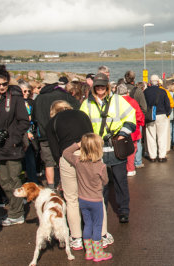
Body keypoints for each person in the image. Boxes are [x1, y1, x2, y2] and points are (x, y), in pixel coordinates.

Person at [47, 100, 114, 250]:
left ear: (53, 111)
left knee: (71, 199)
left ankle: (76, 237)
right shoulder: (82, 115)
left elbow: (55, 151)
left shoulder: (52, 123)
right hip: (89, 154)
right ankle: (102, 235)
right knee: (96, 195)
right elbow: (91, 135)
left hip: (68, 156)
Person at [80, 73, 136, 224]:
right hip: (97, 148)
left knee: (120, 181)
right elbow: (82, 123)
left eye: (102, 86)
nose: (100, 89)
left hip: (115, 145)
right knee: (99, 183)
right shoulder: (87, 103)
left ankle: (124, 211)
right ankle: (101, 210)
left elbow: (131, 116)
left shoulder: (117, 100)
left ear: (107, 86)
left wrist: (123, 134)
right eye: (97, 86)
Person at [0, 65, 30, 226]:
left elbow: (24, 121)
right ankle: (14, 209)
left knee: (14, 179)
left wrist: (14, 138)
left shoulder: (16, 97)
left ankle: (16, 213)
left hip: (12, 146)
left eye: (4, 84)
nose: (2, 87)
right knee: (3, 181)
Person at [63, 133, 112, 262]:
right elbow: (106, 181)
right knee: (97, 225)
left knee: (87, 224)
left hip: (83, 199)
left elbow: (66, 152)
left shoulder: (78, 162)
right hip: (96, 200)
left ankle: (89, 252)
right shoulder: (101, 166)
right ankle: (98, 252)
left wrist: (78, 144)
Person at [33, 73, 80, 189]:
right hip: (62, 134)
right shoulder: (63, 95)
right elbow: (77, 107)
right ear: (56, 83)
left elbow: (34, 117)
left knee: (48, 163)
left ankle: (51, 186)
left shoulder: (39, 98)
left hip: (44, 135)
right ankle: (64, 184)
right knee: (63, 159)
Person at [116, 84, 145, 176]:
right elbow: (139, 115)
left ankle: (121, 169)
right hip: (133, 130)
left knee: (118, 149)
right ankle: (130, 169)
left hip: (118, 130)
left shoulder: (114, 102)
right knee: (131, 150)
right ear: (127, 92)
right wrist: (141, 124)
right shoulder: (132, 101)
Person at [144, 74, 171, 162]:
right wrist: (167, 114)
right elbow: (168, 104)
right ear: (158, 82)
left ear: (150, 82)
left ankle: (152, 156)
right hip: (161, 114)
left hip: (150, 115)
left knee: (151, 136)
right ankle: (162, 156)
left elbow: (144, 105)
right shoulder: (163, 91)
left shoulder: (146, 92)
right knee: (162, 136)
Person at [124, 70, 147, 169]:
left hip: (122, 120)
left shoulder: (120, 89)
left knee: (124, 141)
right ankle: (137, 162)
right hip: (135, 120)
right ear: (134, 79)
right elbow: (144, 107)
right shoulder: (138, 91)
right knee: (137, 141)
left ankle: (125, 161)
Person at [18, 79, 38, 184]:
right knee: (28, 159)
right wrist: (26, 132)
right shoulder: (18, 103)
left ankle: (30, 178)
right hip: (24, 133)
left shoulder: (29, 102)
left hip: (31, 131)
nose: (27, 93)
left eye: (28, 91)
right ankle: (32, 180)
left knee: (31, 158)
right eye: (24, 91)